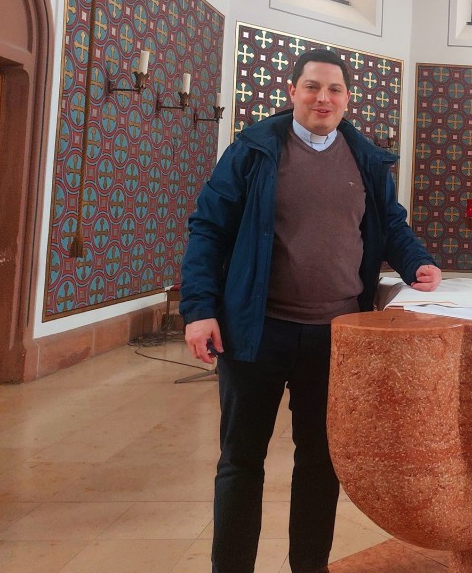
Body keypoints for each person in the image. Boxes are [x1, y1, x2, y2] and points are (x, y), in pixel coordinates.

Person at [180, 48, 441, 573]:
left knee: (320, 463)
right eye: (312, 87)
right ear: (293, 92)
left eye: (335, 89)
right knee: (241, 462)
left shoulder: (365, 159)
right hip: (256, 331)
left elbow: (390, 224)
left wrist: (418, 262)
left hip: (335, 335)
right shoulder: (253, 152)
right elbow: (208, 228)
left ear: (348, 98)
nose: (323, 98)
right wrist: (199, 309)